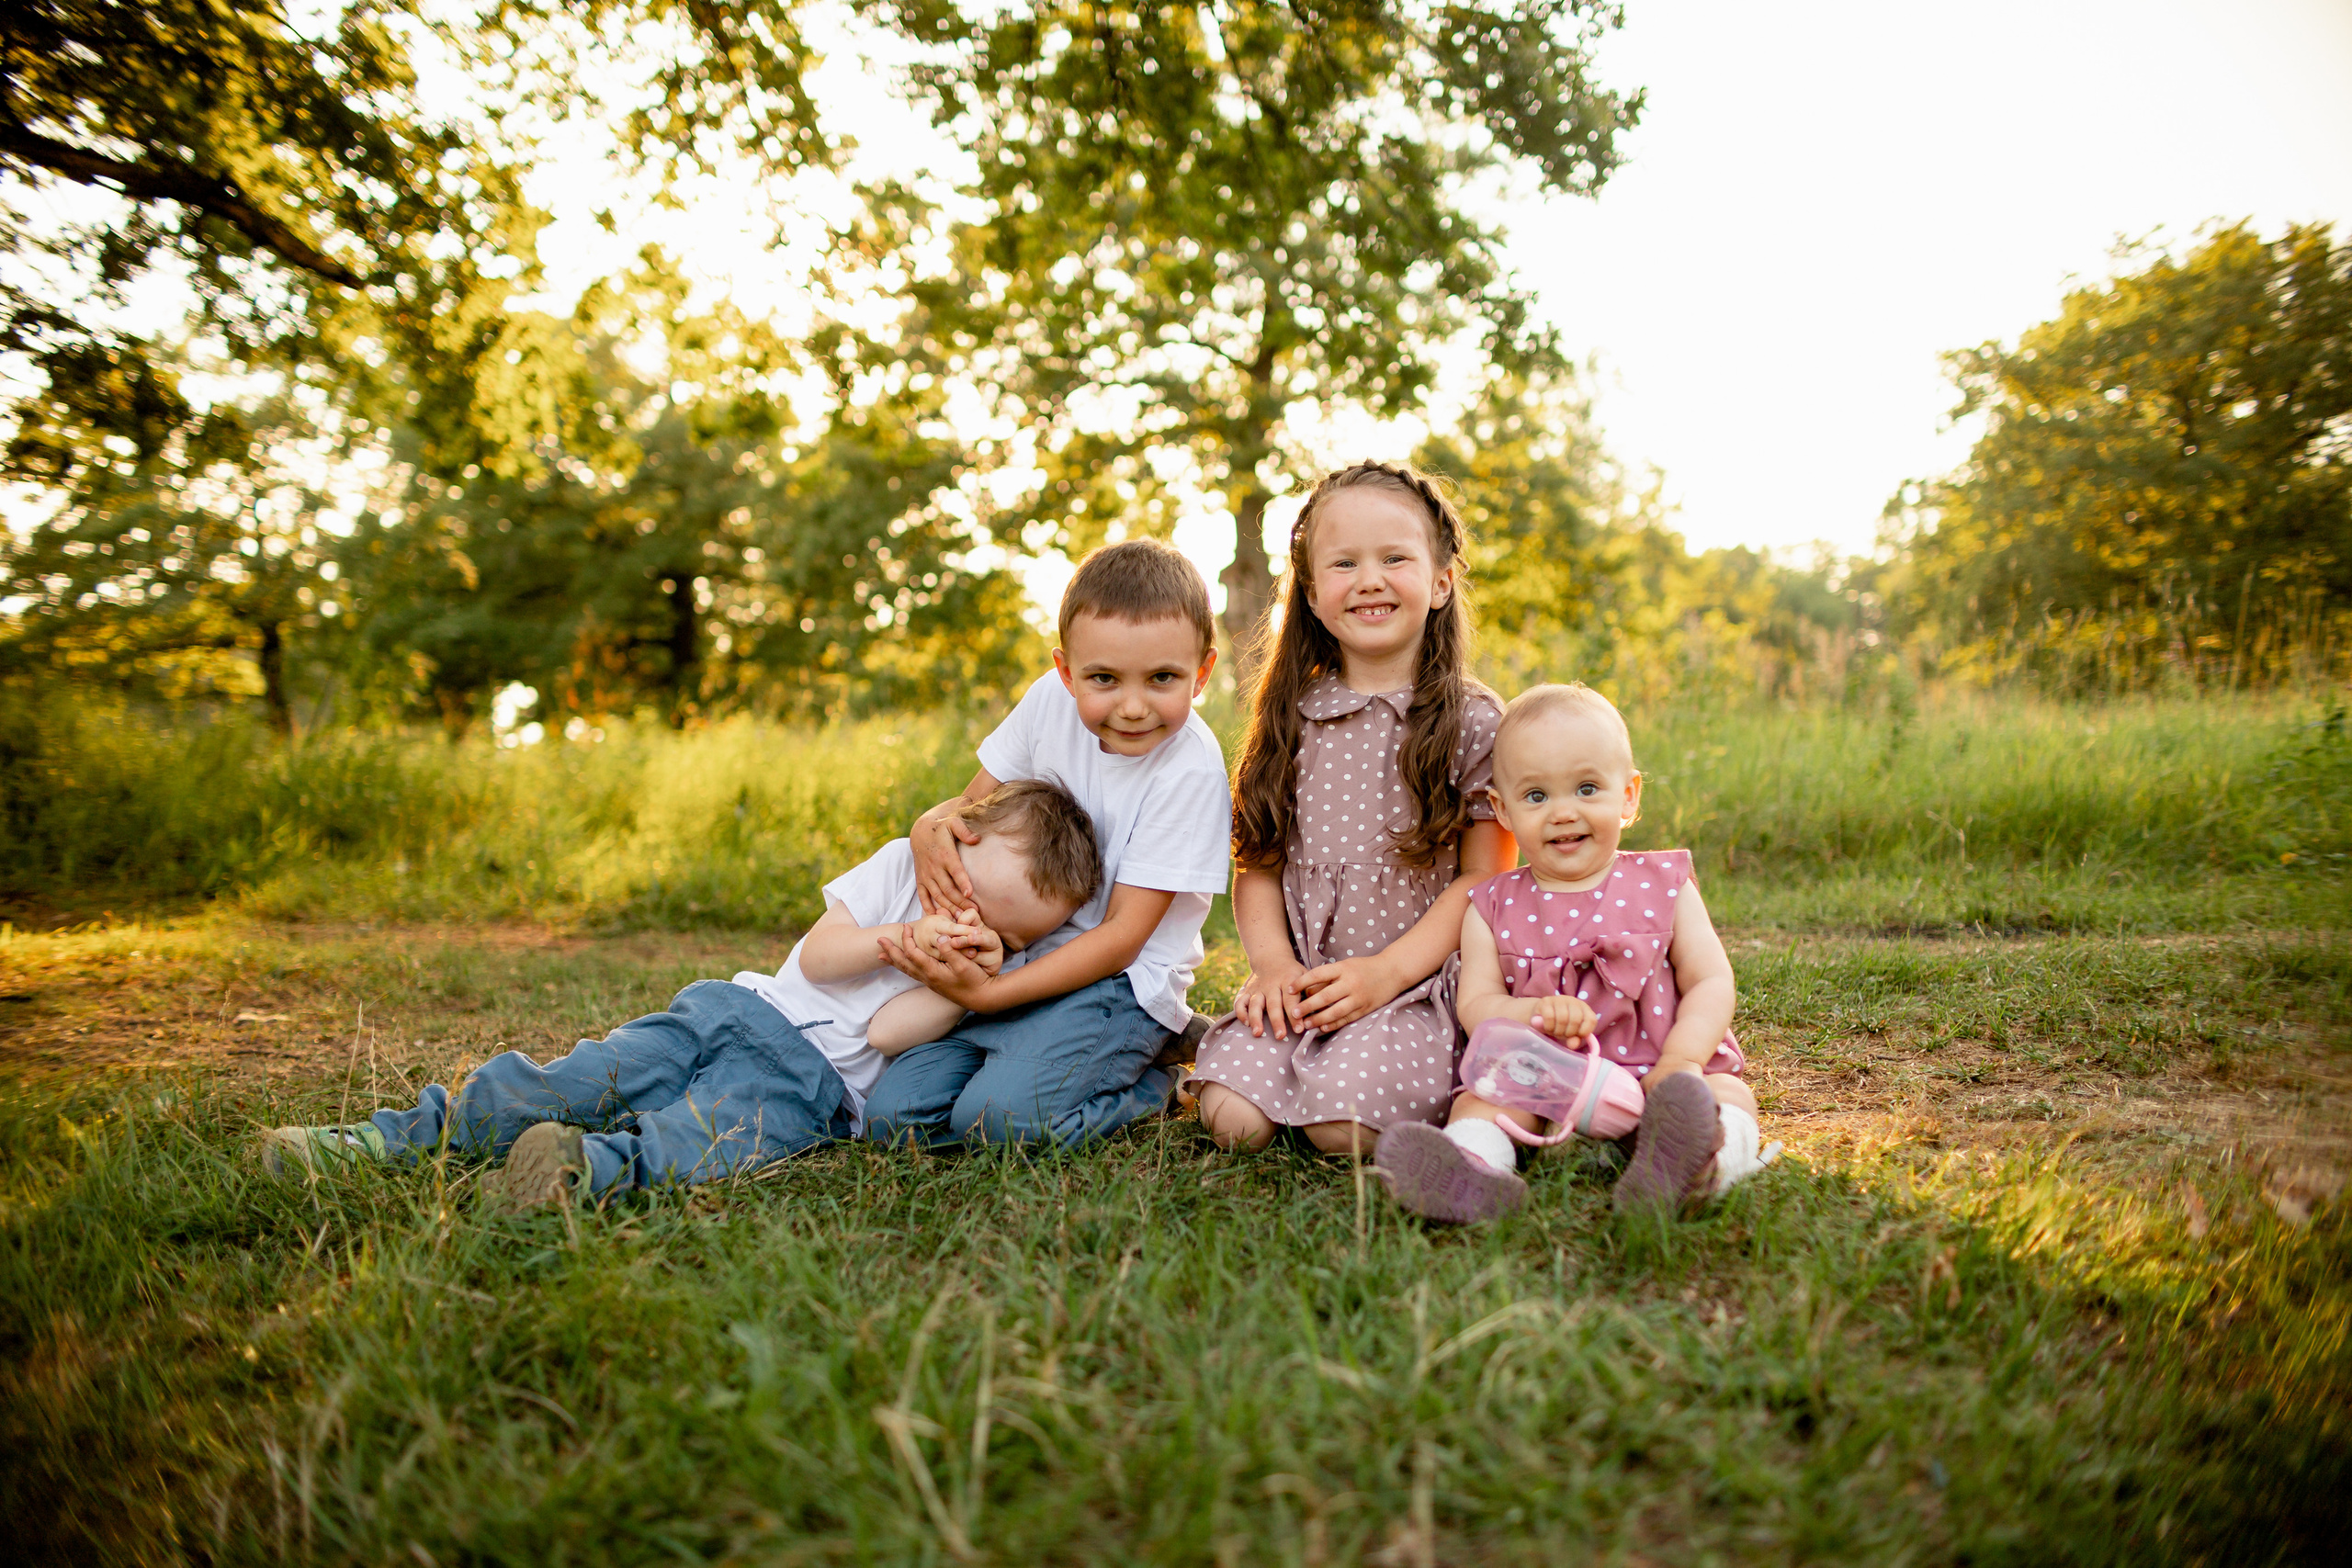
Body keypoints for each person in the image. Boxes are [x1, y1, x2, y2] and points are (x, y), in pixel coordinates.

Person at [258, 781, 1102, 1207]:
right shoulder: (898, 869)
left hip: (806, 1085)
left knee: (702, 1141)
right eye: (975, 898)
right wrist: (896, 939)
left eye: (1011, 935)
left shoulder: (977, 978)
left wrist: (956, 985)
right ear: (963, 835)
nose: (976, 924)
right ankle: (383, 1139)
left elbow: (882, 1035)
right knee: (580, 1076)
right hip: (730, 1011)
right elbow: (817, 958)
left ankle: (574, 1172)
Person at [861, 539, 1232, 1149]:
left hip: (1120, 983)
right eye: (1104, 679)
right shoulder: (1046, 702)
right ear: (1066, 672)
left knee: (999, 1123)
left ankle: (1153, 1082)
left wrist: (988, 994)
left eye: (1162, 678)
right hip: (1022, 953)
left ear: (1202, 673)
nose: (1133, 706)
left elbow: (1120, 940)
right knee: (891, 1118)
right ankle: (1061, 1055)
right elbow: (971, 809)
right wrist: (928, 825)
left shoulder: (1188, 769)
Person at [1189, 461, 1510, 1156]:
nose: (1369, 578)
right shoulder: (1291, 715)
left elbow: (1484, 883)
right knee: (1231, 1120)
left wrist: (1386, 973)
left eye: (1395, 558)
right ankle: (1297, 1064)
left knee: (1342, 1129)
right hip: (1303, 981)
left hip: (1414, 985)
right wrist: (1273, 966)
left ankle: (1378, 1081)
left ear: (1441, 581)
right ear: (1310, 593)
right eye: (1344, 563)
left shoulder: (1474, 721)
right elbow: (1260, 867)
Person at [1374, 682, 1779, 1224]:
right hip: (1550, 1078)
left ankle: (1698, 1166)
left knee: (1726, 1092)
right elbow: (1477, 1002)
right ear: (1503, 810)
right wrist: (1530, 1013)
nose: (1564, 812)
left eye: (1587, 789)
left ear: (1629, 795)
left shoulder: (1663, 884)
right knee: (1481, 1102)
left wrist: (1682, 1060)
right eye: (1537, 797)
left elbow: (1710, 980)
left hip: (1663, 1075)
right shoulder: (1491, 904)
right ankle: (1472, 1172)